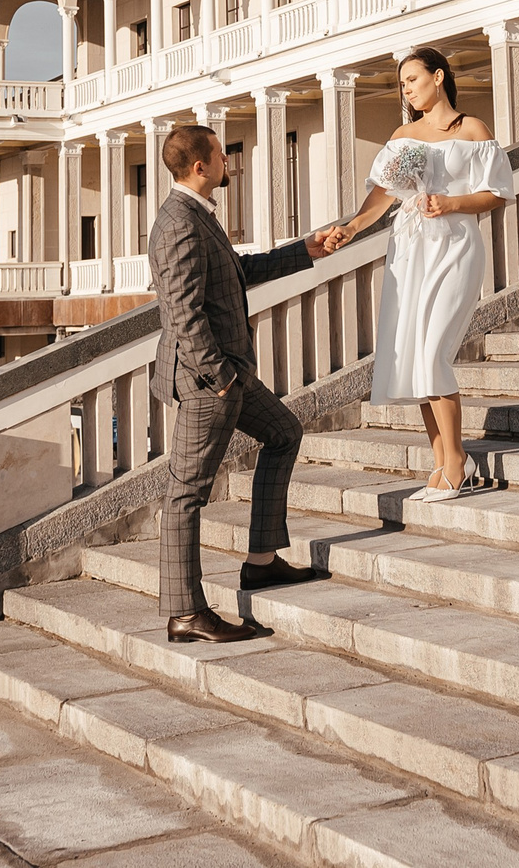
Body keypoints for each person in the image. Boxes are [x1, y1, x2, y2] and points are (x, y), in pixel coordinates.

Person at [150, 121, 342, 644]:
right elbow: (183, 315)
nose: (228, 162)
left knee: (283, 432)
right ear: (200, 166)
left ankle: (261, 560)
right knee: (185, 495)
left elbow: (240, 270)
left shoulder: (197, 216)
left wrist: (306, 249)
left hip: (223, 375)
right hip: (207, 380)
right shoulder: (178, 224)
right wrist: (220, 378)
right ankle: (186, 611)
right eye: (221, 155)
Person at [324, 46, 513, 502]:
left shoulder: (472, 129)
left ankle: (457, 462)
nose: (406, 88)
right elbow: (382, 196)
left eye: (412, 78)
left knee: (433, 354)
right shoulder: (403, 135)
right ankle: (444, 462)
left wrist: (451, 203)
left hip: (455, 247)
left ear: (439, 76)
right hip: (410, 251)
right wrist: (350, 227)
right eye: (402, 82)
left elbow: (497, 193)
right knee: (414, 355)